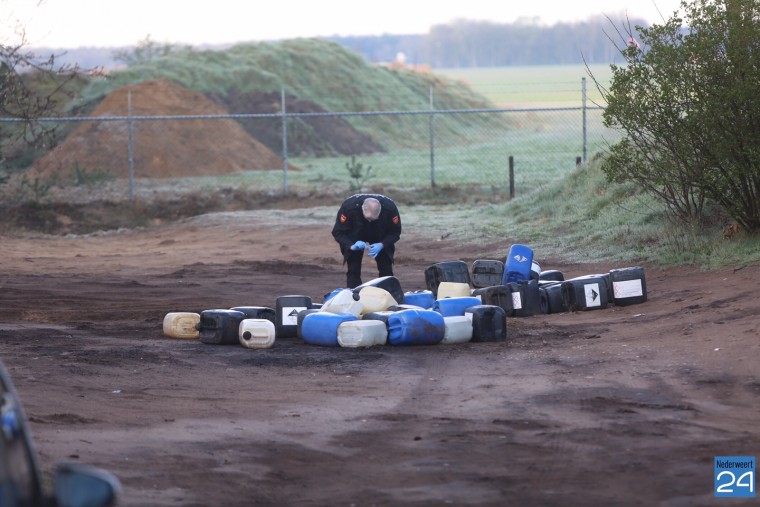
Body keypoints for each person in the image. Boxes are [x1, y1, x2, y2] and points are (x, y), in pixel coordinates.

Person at [331, 193, 402, 288]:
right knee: (353, 269)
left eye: (373, 219)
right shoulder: (349, 208)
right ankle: (354, 296)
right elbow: (338, 232)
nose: (370, 222)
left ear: (380, 211)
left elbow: (395, 232)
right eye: (368, 219)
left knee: (386, 269)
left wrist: (382, 244)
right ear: (362, 209)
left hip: (380, 234)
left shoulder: (390, 209)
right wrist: (351, 246)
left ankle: (388, 293)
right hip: (355, 234)